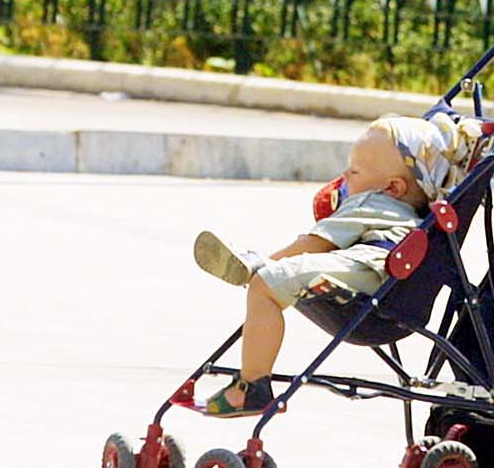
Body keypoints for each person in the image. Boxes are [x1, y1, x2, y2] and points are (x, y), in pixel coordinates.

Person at [190, 114, 471, 418]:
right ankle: (260, 274)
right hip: (393, 289)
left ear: (392, 187)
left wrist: (267, 268)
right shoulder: (412, 219)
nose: (345, 176)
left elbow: (314, 244)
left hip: (365, 270)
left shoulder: (369, 204)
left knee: (266, 285)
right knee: (277, 279)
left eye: (354, 170)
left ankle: (252, 386)